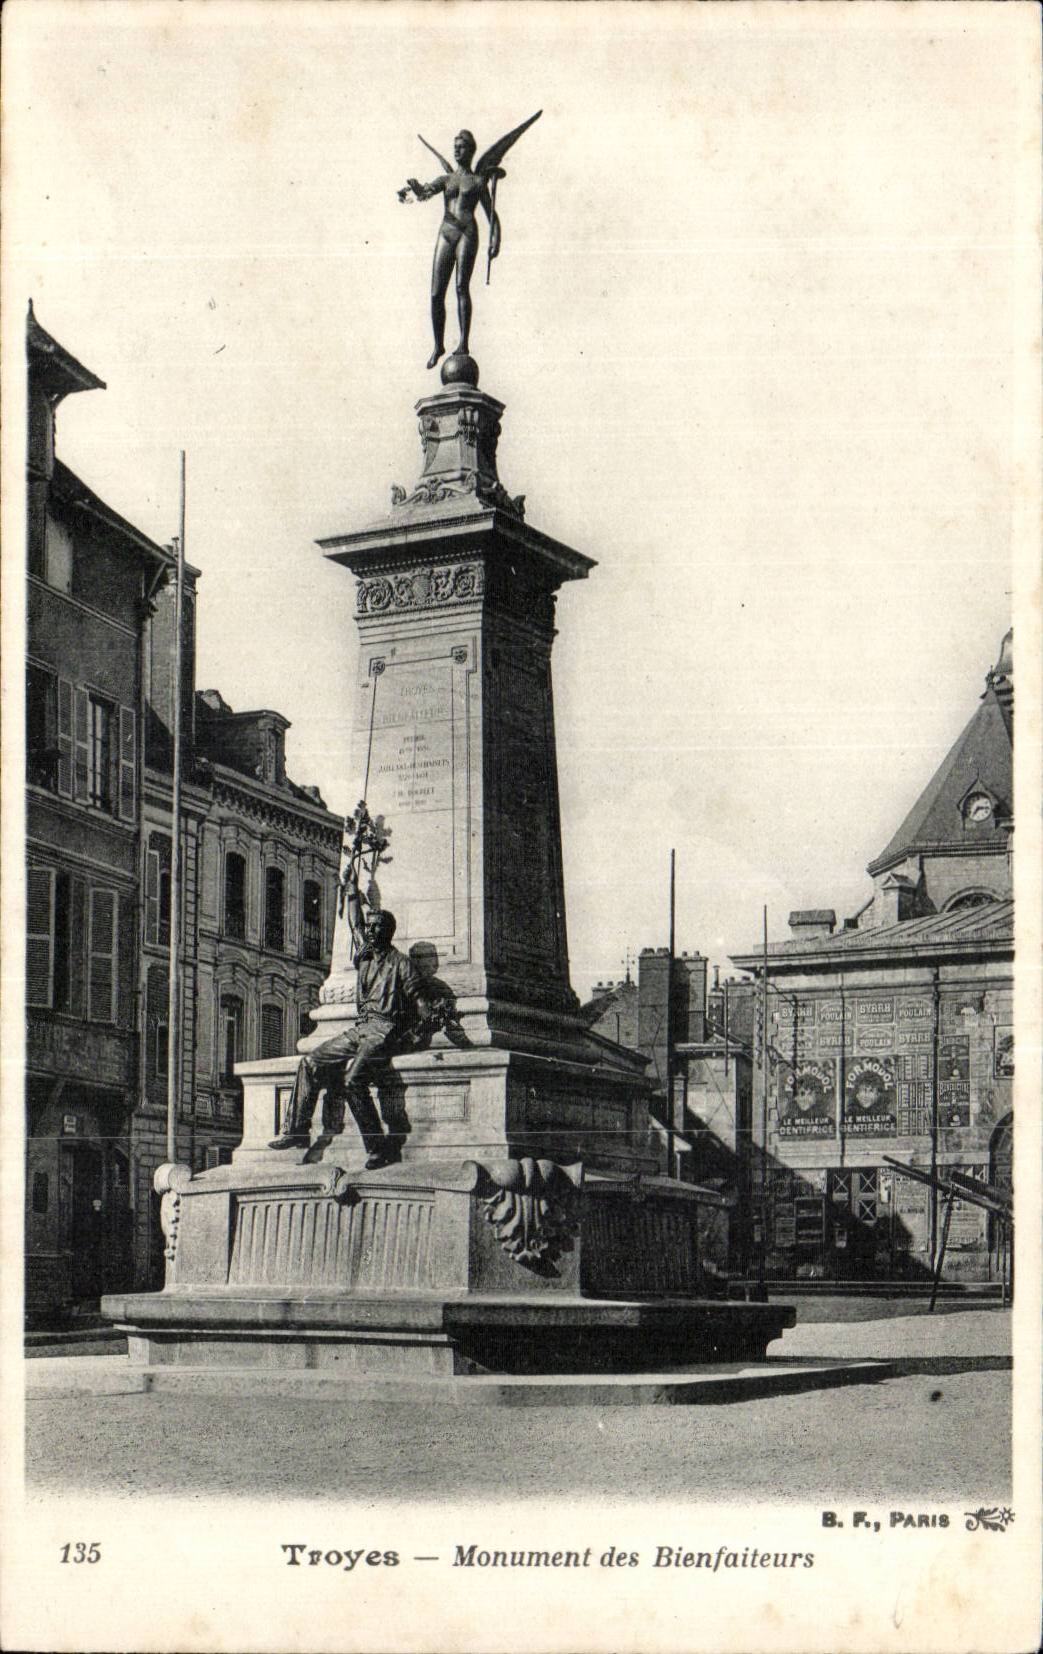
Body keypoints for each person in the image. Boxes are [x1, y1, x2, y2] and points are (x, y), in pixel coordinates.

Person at [269, 868, 431, 1167]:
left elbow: (422, 1003)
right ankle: (296, 1130)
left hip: (384, 1030)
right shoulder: (366, 956)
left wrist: (421, 1030)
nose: (369, 931)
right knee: (310, 1061)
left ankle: (377, 1147)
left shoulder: (402, 964)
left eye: (376, 927)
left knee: (353, 1080)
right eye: (369, 927)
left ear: (388, 931)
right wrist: (352, 891)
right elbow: (354, 923)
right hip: (361, 1029)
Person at [398, 112, 541, 370]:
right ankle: (438, 344)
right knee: (435, 293)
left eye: (462, 147)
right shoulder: (447, 179)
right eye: (454, 147)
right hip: (447, 230)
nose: (456, 151)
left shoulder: (477, 181)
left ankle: (463, 342)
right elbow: (424, 194)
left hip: (467, 232)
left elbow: (491, 215)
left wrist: (496, 238)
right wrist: (416, 188)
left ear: (471, 150)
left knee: (462, 287)